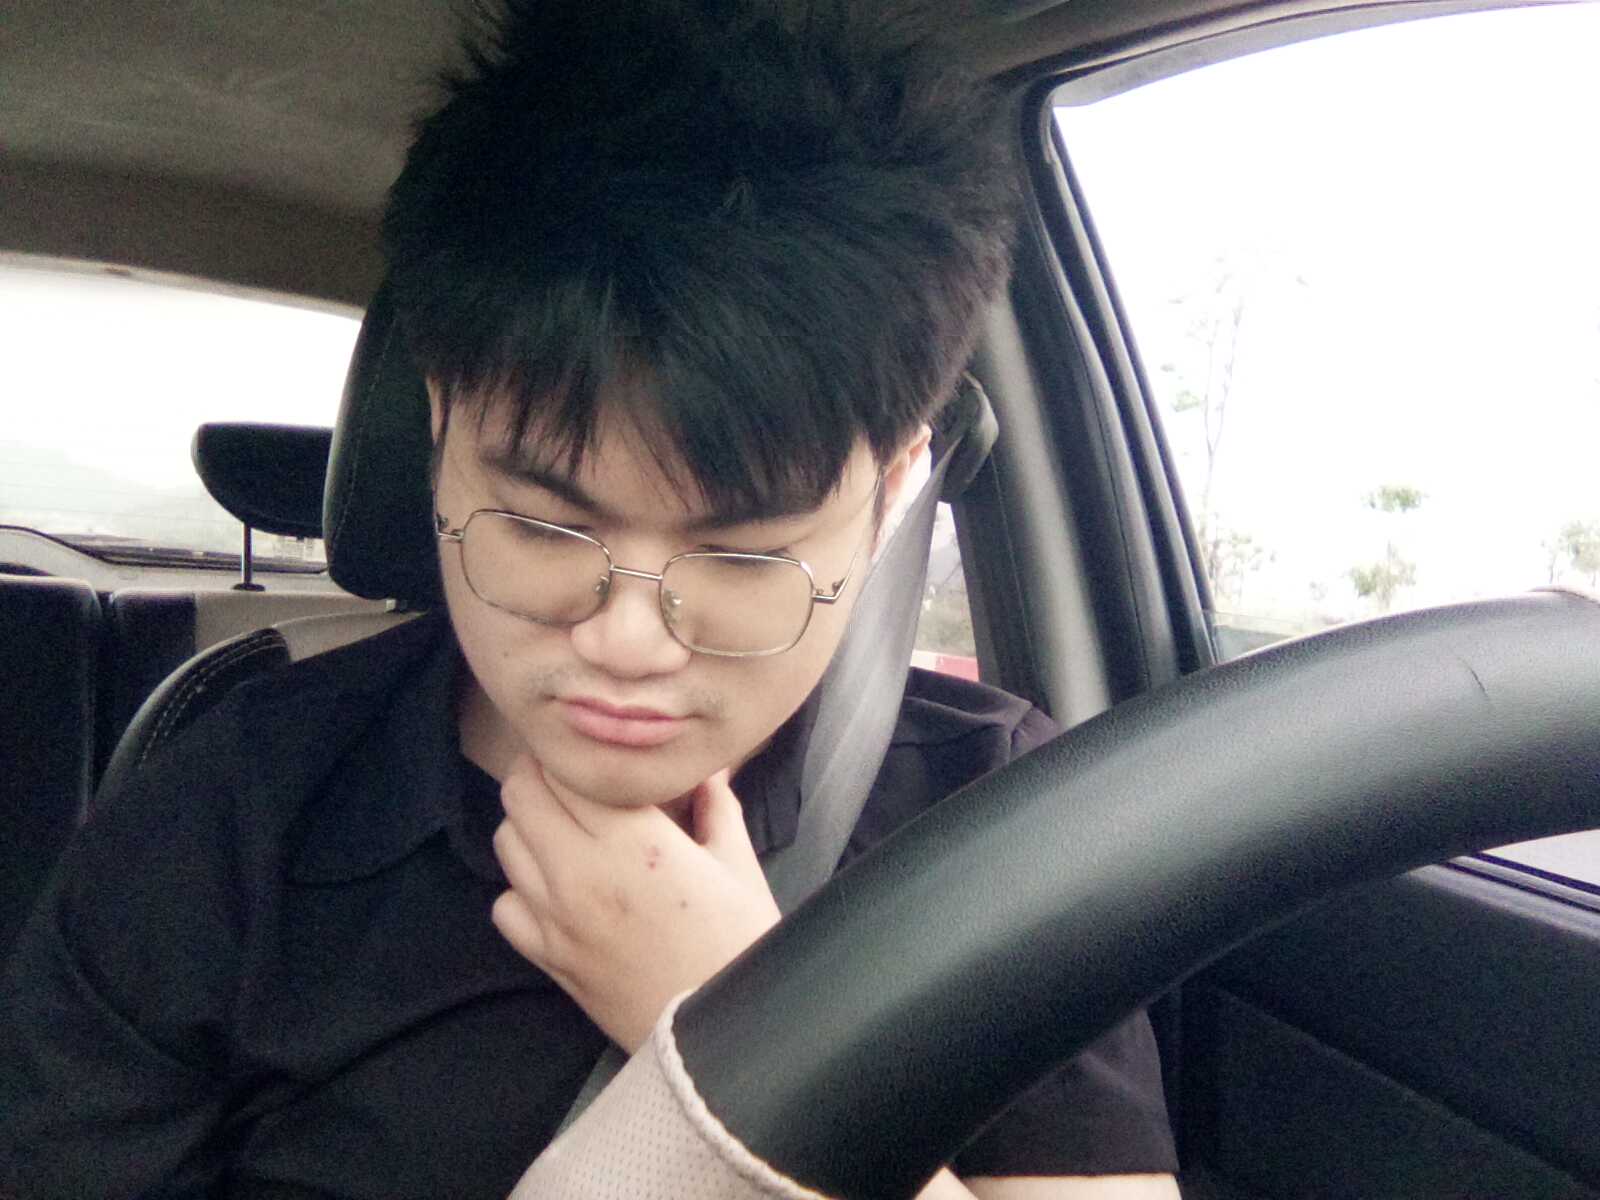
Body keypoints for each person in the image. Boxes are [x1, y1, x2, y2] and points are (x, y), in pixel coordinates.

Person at [0, 1, 1179, 1196]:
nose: (625, 640)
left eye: (743, 557)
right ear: (441, 426)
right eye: (543, 528)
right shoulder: (226, 817)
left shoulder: (998, 822)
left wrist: (739, 1034)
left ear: (891, 494)